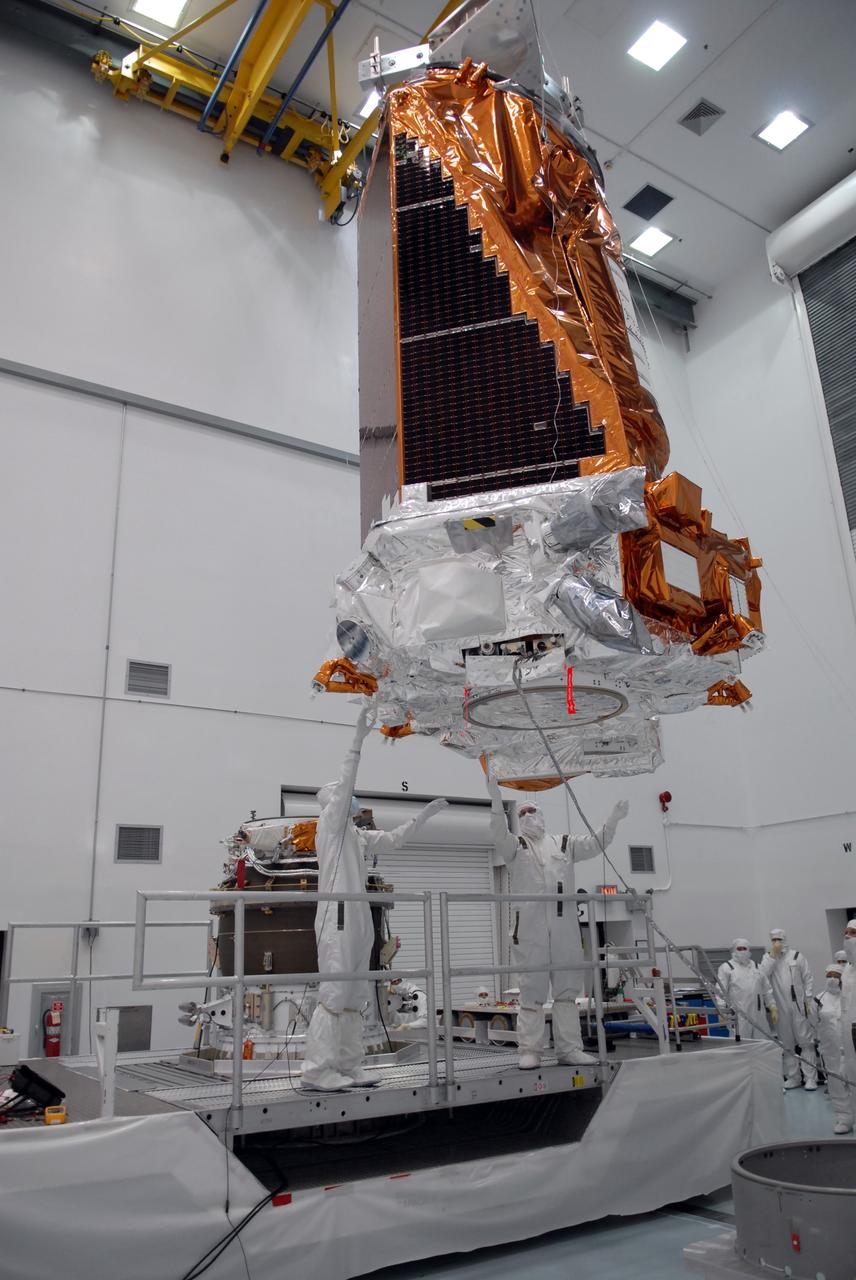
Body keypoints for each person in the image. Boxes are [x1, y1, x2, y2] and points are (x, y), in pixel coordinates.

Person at [301, 701, 449, 1090]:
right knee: (334, 994)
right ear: (333, 802)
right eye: (344, 797)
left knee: (353, 996)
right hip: (337, 917)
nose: (352, 800)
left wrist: (423, 817)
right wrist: (357, 739)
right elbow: (346, 782)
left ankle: (348, 1067)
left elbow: (393, 839)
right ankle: (318, 1070)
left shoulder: (353, 835)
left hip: (358, 918)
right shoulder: (329, 827)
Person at [487, 773, 629, 1069]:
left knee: (567, 990)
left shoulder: (564, 844)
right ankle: (530, 1050)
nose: (527, 815)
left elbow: (595, 843)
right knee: (532, 990)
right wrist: (496, 797)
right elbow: (498, 832)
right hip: (529, 928)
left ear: (542, 815)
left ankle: (569, 1049)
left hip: (564, 927)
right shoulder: (515, 848)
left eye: (532, 811)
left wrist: (613, 820)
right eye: (522, 812)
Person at [759, 928, 817, 1090]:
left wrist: (808, 998)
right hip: (780, 1006)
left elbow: (808, 978)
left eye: (779, 939)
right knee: (787, 1044)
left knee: (805, 1042)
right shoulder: (767, 958)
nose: (777, 943)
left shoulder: (797, 956)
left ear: (785, 939)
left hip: (798, 1005)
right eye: (773, 940)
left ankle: (810, 1078)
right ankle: (793, 1077)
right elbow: (761, 976)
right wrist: (772, 956)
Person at [813, 963, 853, 1135]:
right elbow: (813, 1022)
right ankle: (844, 1119)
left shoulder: (850, 997)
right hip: (830, 1051)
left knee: (853, 1082)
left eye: (836, 976)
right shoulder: (818, 999)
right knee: (836, 1085)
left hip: (851, 1049)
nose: (832, 979)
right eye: (829, 975)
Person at [716, 939, 777, 1039]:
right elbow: (720, 992)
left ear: (749, 950)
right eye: (739, 949)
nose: (742, 951)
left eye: (745, 948)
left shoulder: (757, 967)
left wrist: (773, 1006)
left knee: (762, 1043)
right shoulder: (727, 968)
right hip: (739, 1016)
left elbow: (766, 990)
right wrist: (722, 1011)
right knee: (740, 1045)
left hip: (758, 1015)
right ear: (734, 950)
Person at [840, 920, 856, 1131]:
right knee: (852, 1075)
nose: (847, 937)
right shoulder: (847, 971)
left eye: (853, 933)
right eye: (846, 933)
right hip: (849, 1030)